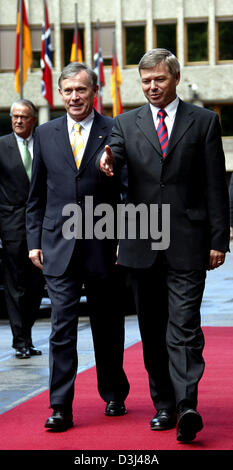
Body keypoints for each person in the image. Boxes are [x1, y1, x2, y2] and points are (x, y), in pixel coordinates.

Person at [99, 48, 229, 442]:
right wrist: (107, 160)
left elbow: (214, 185)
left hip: (188, 242)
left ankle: (188, 404)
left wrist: (218, 238)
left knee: (185, 325)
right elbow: (115, 157)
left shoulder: (204, 122)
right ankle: (165, 404)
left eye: (158, 79)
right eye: (146, 81)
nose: (152, 87)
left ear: (174, 79)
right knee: (153, 329)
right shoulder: (124, 123)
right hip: (141, 242)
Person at [26, 62, 130, 432]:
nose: (74, 97)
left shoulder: (115, 130)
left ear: (94, 92)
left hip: (103, 245)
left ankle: (114, 392)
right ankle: (60, 407)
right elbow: (36, 194)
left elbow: (127, 190)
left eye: (81, 90)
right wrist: (33, 241)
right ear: (60, 93)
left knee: (108, 324)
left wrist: (125, 239)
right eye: (68, 90)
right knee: (61, 327)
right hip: (58, 246)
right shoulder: (45, 133)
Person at [0, 99, 44, 359]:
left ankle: (26, 336)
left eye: (23, 117)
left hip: (39, 223)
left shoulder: (43, 144)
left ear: (33, 119)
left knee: (37, 283)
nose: (18, 120)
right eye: (15, 116)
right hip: (12, 224)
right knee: (15, 284)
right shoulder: (2, 146)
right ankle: (19, 341)